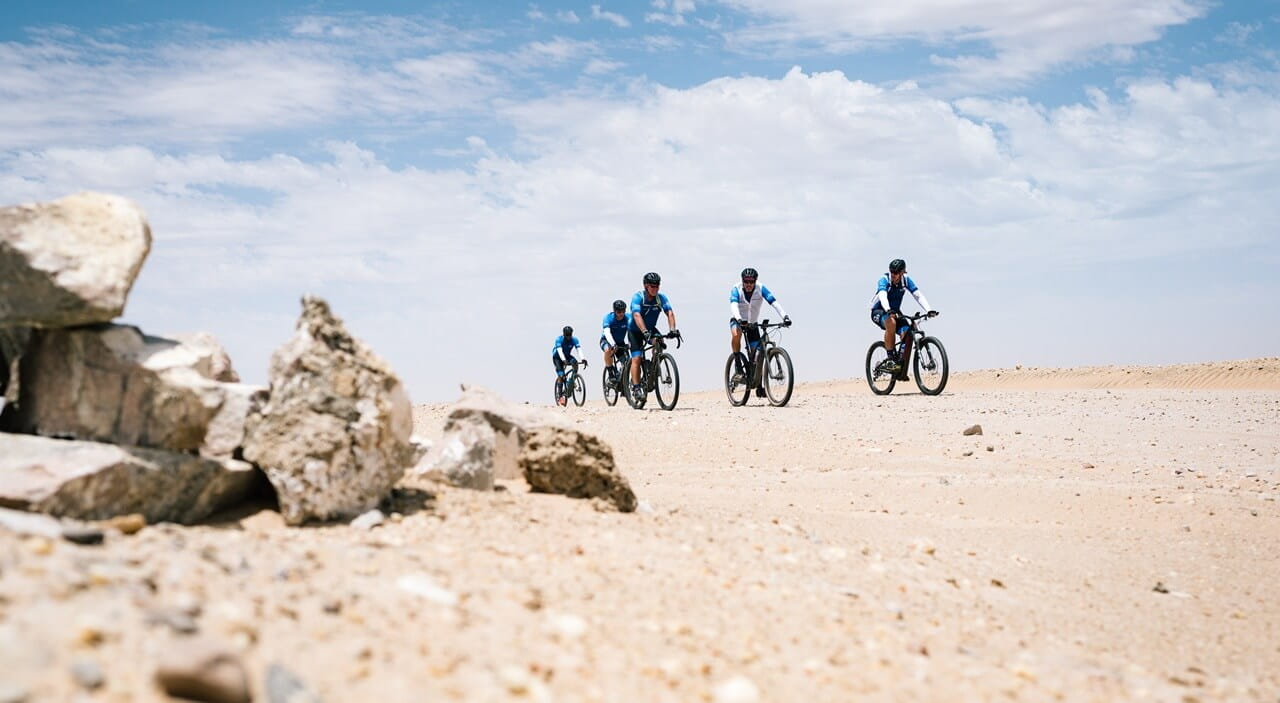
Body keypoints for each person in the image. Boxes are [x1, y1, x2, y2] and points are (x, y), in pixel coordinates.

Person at [869, 258, 937, 379]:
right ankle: (891, 359)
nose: (893, 275)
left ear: (902, 273)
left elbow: (917, 294)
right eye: (892, 272)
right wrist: (888, 310)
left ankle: (900, 366)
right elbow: (883, 295)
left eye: (896, 273)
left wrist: (928, 310)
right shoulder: (884, 280)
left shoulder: (906, 280)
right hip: (879, 311)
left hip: (894, 311)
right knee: (891, 322)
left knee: (907, 332)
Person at [729, 267, 790, 397]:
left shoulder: (760, 288)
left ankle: (760, 385)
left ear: (755, 281)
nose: (749, 284)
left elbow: (773, 301)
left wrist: (785, 317)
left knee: (757, 355)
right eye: (746, 281)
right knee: (736, 334)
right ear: (742, 281)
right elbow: (733, 305)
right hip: (738, 322)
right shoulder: (736, 289)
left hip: (753, 325)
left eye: (751, 282)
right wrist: (740, 319)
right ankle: (738, 365)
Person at [628, 272, 677, 400]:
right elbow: (636, 315)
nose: (655, 288)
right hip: (635, 331)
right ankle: (636, 386)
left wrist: (672, 330)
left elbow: (670, 313)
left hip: (650, 329)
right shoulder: (638, 297)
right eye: (652, 286)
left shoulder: (661, 298)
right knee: (637, 358)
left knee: (659, 343)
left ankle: (653, 369)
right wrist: (644, 331)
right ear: (646, 286)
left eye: (657, 286)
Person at [551, 325, 585, 405]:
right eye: (567, 335)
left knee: (575, 363)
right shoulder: (559, 340)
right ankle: (560, 396)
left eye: (570, 335)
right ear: (564, 334)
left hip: (567, 356)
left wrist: (583, 358)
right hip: (558, 358)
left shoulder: (574, 340)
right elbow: (559, 351)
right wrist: (563, 360)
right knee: (561, 375)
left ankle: (571, 381)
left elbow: (579, 349)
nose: (569, 337)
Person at [600, 299, 629, 383]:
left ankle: (624, 383)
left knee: (627, 363)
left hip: (620, 343)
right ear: (614, 311)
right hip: (607, 341)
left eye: (623, 311)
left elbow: (632, 330)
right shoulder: (608, 318)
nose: (621, 314)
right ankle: (610, 372)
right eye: (619, 312)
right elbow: (607, 332)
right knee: (608, 350)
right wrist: (613, 344)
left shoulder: (627, 317)